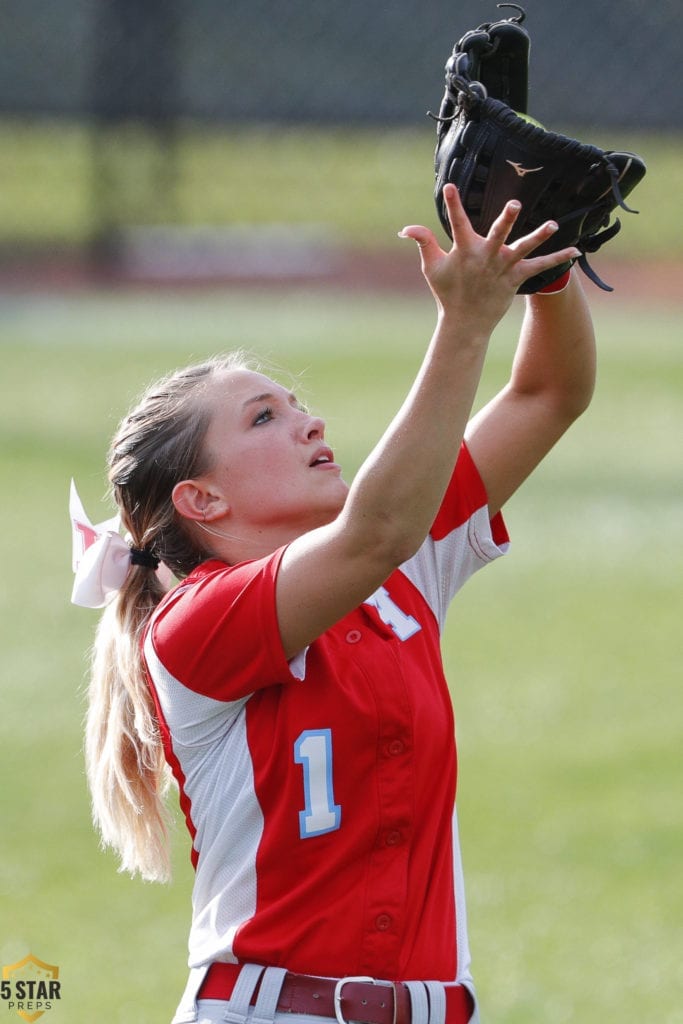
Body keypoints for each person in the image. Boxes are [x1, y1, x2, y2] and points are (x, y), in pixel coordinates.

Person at [74, 184, 595, 1024]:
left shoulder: (392, 566)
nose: (309, 423)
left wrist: (542, 259)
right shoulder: (194, 626)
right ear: (201, 500)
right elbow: (376, 529)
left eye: (295, 405)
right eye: (264, 418)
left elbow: (547, 395)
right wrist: (463, 322)